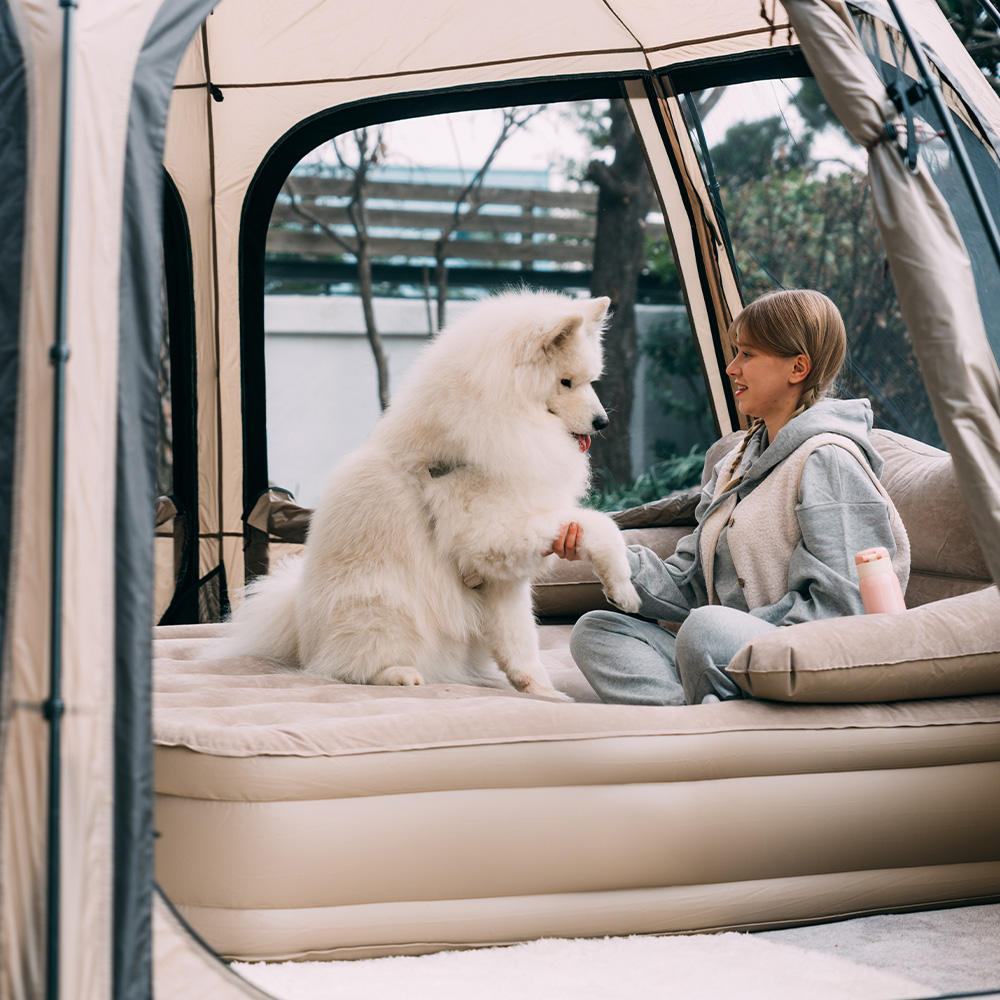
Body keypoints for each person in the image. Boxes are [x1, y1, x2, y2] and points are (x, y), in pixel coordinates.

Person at [550, 288, 909, 705]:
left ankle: (693, 722)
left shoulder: (828, 459)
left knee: (706, 629)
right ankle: (688, 724)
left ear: (798, 367)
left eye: (748, 355)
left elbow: (847, 607)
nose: (731, 367)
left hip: (797, 653)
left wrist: (739, 628)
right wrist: (603, 548)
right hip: (725, 646)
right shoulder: (735, 462)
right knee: (598, 630)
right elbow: (688, 587)